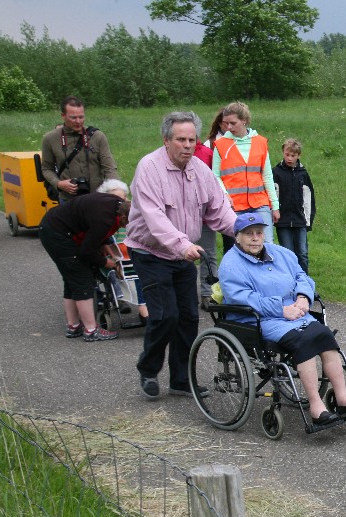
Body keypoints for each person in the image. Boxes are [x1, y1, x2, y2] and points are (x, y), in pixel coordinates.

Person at [219, 212, 346, 424]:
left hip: (296, 313)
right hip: (260, 320)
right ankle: (316, 407)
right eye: (248, 234)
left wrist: (303, 297)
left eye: (259, 233)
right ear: (237, 237)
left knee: (325, 335)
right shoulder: (230, 265)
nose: (255, 238)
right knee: (303, 342)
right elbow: (245, 298)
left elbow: (302, 276)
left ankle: (343, 397)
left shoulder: (280, 253)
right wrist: (281, 310)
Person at [124, 110, 237, 400]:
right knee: (165, 316)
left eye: (191, 140)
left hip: (183, 255)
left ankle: (180, 380)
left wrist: (245, 231)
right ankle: (148, 370)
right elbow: (154, 217)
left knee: (188, 317)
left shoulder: (200, 170)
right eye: (180, 140)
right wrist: (183, 245)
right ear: (166, 140)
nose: (187, 145)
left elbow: (219, 208)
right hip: (150, 251)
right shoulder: (149, 168)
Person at [37, 179, 131, 342]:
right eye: (127, 222)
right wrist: (105, 263)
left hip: (53, 226)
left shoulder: (116, 204)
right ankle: (91, 330)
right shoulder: (105, 219)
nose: (127, 226)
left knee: (71, 280)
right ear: (122, 216)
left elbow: (92, 225)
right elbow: (86, 252)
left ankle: (73, 326)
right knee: (83, 280)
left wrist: (103, 243)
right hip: (58, 234)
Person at [212, 101, 279, 253]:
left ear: (244, 121)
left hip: (260, 203)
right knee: (239, 248)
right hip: (234, 206)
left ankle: (267, 269)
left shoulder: (260, 142)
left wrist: (275, 206)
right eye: (226, 123)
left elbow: (267, 176)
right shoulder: (220, 145)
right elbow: (215, 176)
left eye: (233, 123)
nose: (229, 127)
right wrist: (225, 195)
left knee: (267, 244)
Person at [41, 95, 119, 203]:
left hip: (96, 198)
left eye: (81, 117)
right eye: (73, 118)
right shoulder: (50, 139)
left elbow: (109, 167)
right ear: (63, 116)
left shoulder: (97, 136)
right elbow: (46, 168)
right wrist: (59, 184)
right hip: (68, 200)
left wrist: (116, 189)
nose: (78, 121)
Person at [193, 110, 226, 309]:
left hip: (204, 215)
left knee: (208, 255)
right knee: (182, 255)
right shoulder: (168, 156)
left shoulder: (206, 154)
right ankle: (186, 294)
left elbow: (215, 182)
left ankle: (208, 294)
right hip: (179, 216)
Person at [272, 138, 316, 274]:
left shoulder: (303, 174)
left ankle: (304, 281)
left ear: (298, 155)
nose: (289, 158)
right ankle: (290, 280)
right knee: (288, 253)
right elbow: (272, 195)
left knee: (302, 253)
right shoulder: (276, 172)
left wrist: (308, 220)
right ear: (283, 153)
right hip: (283, 221)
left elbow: (309, 198)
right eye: (287, 154)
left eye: (293, 155)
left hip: (299, 220)